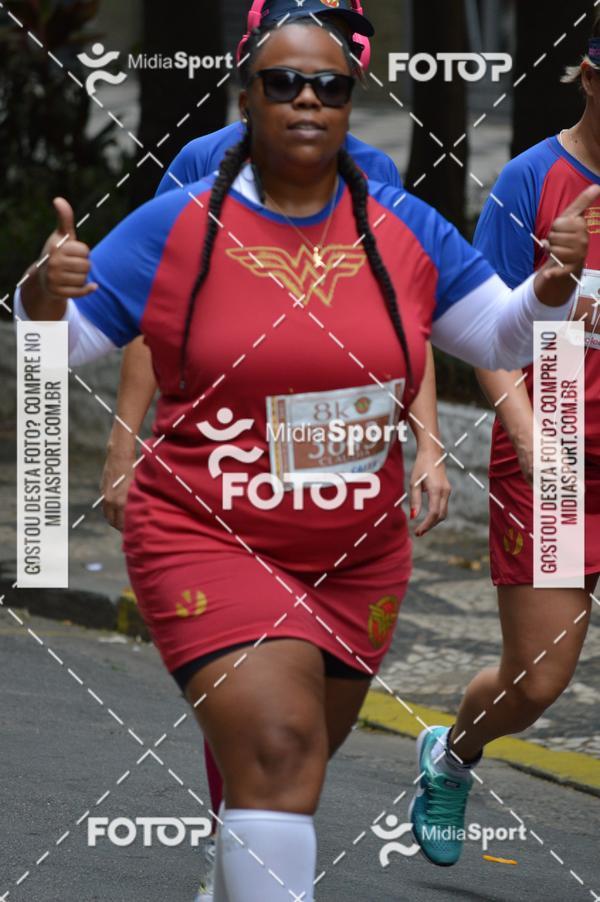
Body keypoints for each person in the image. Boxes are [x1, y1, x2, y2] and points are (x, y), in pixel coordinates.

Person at [19, 14, 594, 901]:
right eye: (284, 82)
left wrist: (545, 296)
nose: (308, 100)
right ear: (248, 96)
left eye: (329, 86)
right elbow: (50, 355)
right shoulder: (181, 219)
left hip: (355, 546)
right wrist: (37, 296)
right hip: (210, 525)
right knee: (281, 747)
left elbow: (486, 331)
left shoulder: (401, 221)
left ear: (351, 102)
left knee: (296, 765)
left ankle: (233, 872)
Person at [409, 18, 600, 870]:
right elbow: (485, 330)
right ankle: (452, 754)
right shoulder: (533, 180)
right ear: (588, 77)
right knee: (539, 682)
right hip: (554, 443)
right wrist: (523, 426)